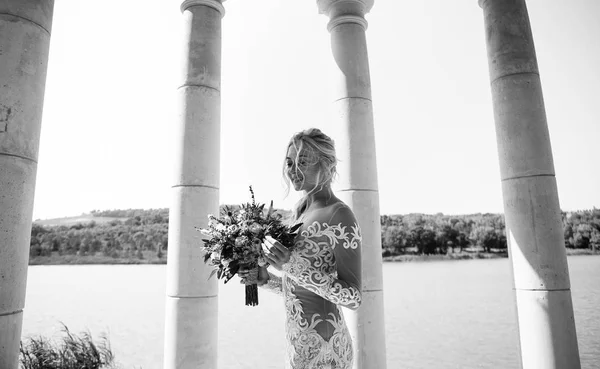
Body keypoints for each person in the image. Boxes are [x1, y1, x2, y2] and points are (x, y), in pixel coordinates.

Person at [239, 128, 363, 369]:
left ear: (325, 164)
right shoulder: (298, 214)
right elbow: (299, 290)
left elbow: (354, 298)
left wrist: (290, 265)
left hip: (326, 351)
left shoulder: (339, 215)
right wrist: (266, 280)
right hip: (297, 346)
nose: (292, 170)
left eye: (301, 162)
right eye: (289, 162)